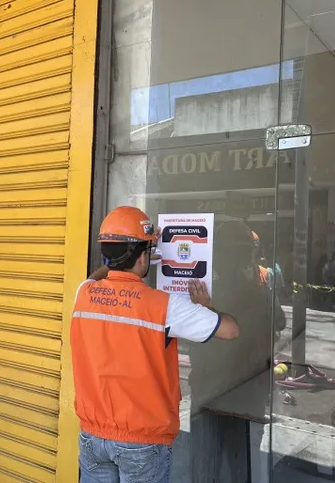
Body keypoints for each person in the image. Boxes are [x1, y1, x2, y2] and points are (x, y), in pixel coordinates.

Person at [70, 206, 239, 483]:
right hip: (141, 442)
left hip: (92, 437)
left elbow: (96, 276)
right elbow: (231, 330)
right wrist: (207, 308)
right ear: (142, 257)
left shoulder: (84, 294)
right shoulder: (163, 306)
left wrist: (139, 247)